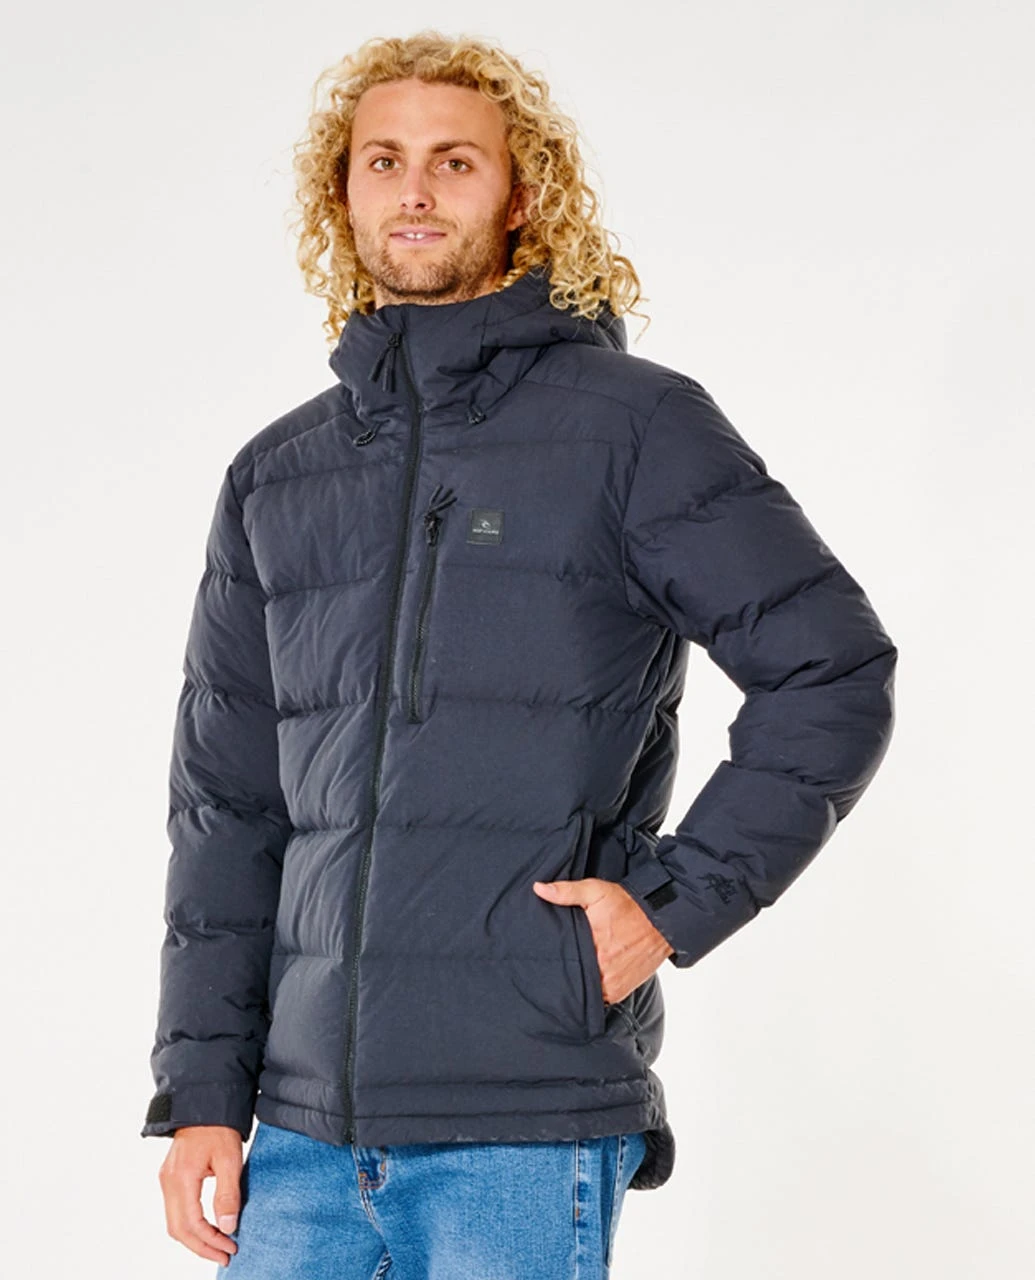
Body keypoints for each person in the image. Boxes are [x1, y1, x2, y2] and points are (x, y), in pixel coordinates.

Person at [141, 30, 898, 1279]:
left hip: (523, 1119)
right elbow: (228, 808)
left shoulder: (634, 428)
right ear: (343, 194)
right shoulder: (279, 475)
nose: (416, 190)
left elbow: (833, 667)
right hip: (298, 1134)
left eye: (455, 161)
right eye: (384, 161)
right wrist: (202, 1090)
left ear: (521, 195)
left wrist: (670, 905)